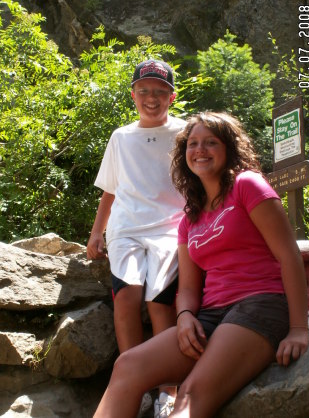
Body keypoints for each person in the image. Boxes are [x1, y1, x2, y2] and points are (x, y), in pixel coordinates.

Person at [93, 111, 309, 418]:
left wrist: (299, 329)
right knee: (127, 365)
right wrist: (183, 317)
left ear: (229, 148)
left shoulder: (248, 186)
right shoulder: (189, 217)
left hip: (259, 304)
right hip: (211, 315)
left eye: (211, 142)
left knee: (189, 397)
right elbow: (189, 288)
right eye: (192, 144)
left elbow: (289, 256)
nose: (200, 150)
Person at [87, 59, 186, 417]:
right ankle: (133, 383)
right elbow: (111, 191)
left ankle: (168, 389)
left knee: (160, 301)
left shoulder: (186, 133)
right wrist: (98, 232)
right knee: (127, 297)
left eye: (160, 92)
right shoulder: (121, 137)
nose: (151, 98)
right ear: (133, 95)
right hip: (126, 229)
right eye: (144, 91)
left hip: (170, 227)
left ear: (172, 97)